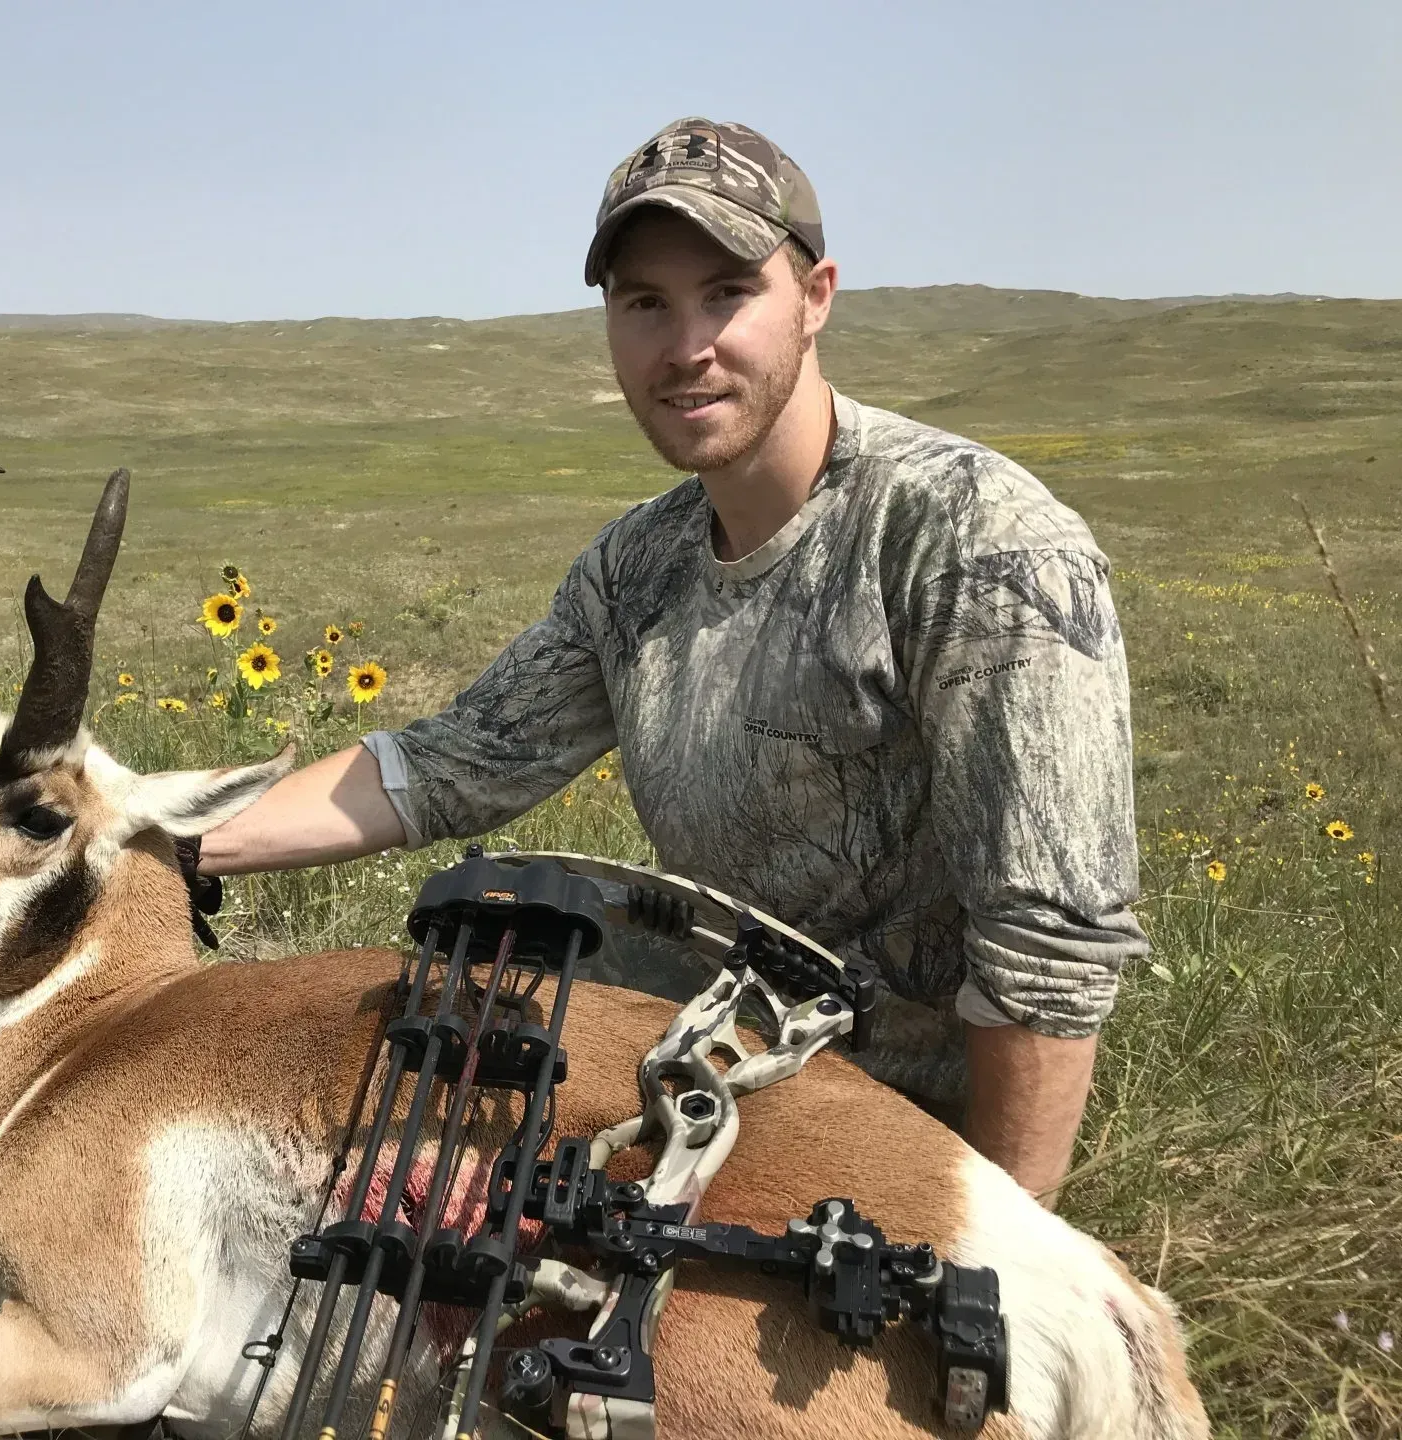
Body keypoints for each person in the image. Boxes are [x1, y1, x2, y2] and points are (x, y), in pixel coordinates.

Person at [203, 117, 1145, 1205]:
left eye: (728, 292)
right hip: (713, 1069)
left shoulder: (973, 540)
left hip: (910, 1132)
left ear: (816, 296)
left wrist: (988, 1255)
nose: (684, 345)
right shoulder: (638, 566)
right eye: (645, 302)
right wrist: (174, 848)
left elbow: (1047, 950)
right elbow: (459, 760)